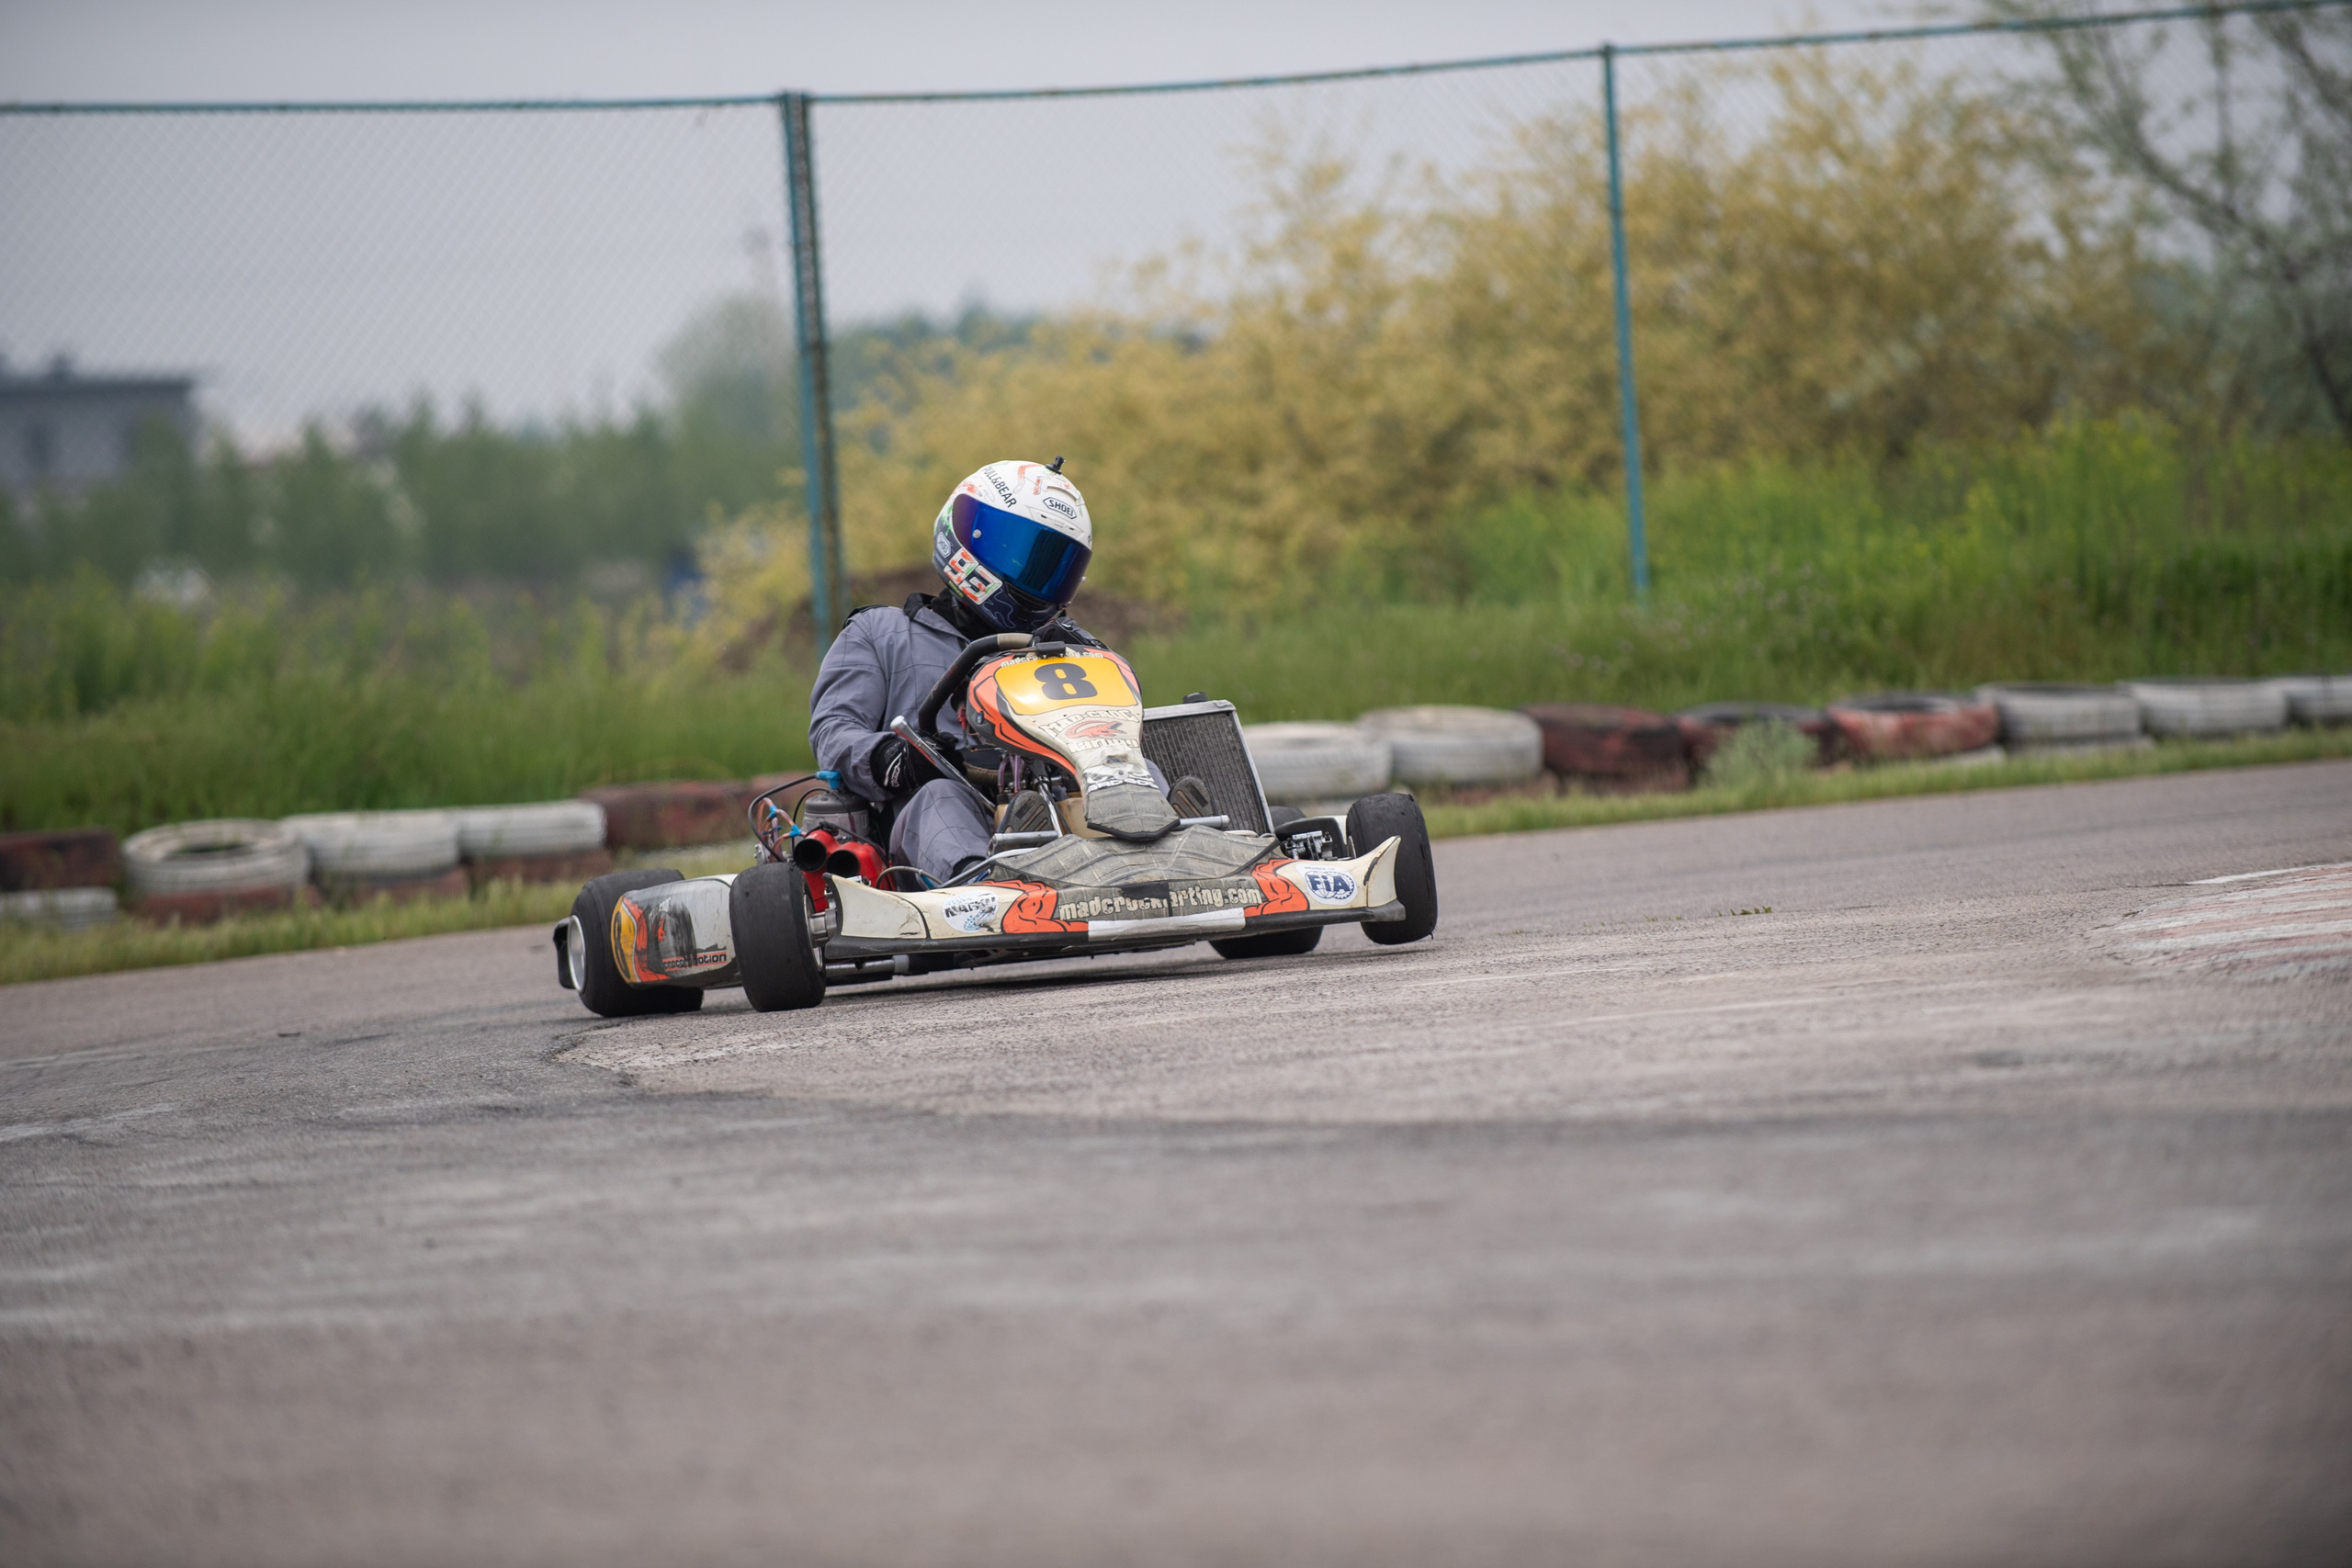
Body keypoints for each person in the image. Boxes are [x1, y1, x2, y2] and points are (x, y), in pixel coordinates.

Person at [808, 458, 1115, 886]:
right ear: (967, 538)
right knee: (939, 799)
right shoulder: (881, 632)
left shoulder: (1065, 643)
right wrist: (890, 759)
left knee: (1130, 776)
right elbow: (833, 730)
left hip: (1064, 795)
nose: (1036, 577)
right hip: (940, 811)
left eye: (1053, 565)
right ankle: (985, 887)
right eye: (1021, 554)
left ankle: (1173, 851)